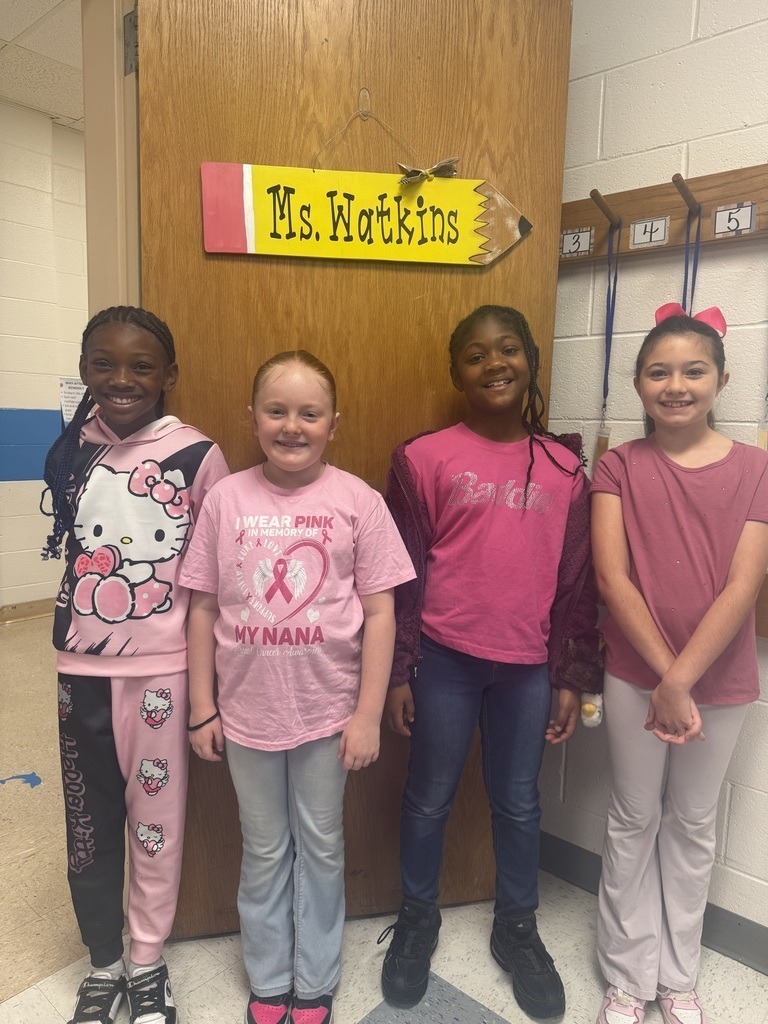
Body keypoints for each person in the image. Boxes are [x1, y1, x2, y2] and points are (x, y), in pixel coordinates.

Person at [379, 305, 603, 1020]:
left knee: (520, 801)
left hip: (527, 669)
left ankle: (517, 928)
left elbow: (577, 587)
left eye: (508, 350)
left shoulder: (567, 469)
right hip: (442, 660)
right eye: (475, 355)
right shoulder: (422, 458)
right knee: (427, 797)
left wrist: (571, 677)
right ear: (457, 374)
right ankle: (418, 919)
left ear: (532, 361)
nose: (494, 363)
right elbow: (398, 574)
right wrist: (395, 670)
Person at [179, 350, 416, 1024]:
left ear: (333, 424)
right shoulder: (226, 500)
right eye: (276, 411)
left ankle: (314, 980)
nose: (292, 425)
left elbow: (380, 613)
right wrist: (201, 709)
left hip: (327, 715)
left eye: (308, 413)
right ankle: (269, 976)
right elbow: (201, 608)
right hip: (246, 715)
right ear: (252, 419)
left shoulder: (356, 502)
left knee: (321, 844)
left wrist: (367, 714)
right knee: (262, 847)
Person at [40, 306, 229, 1024]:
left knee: (155, 823)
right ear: (85, 369)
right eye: (104, 364)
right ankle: (104, 963)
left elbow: (214, 579)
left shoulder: (197, 455)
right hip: (79, 673)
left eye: (141, 365)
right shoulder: (68, 451)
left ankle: (147, 961)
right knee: (88, 822)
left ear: (168, 376)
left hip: (162, 675)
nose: (121, 379)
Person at [591, 303, 768, 1024]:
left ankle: (678, 976)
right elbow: (611, 578)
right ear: (638, 384)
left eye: (694, 371)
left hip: (716, 683)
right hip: (635, 678)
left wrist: (681, 683)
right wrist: (663, 682)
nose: (676, 385)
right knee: (634, 817)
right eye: (658, 371)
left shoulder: (756, 467)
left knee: (693, 823)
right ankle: (627, 976)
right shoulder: (618, 465)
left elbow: (745, 584)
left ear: (720, 380)